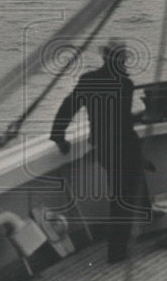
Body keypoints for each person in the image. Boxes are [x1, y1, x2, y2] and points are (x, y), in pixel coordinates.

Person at [50, 39, 152, 263]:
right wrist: (142, 117)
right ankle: (117, 252)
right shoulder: (124, 84)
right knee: (123, 200)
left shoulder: (89, 80)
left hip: (105, 148)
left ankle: (144, 221)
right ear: (121, 60)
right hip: (124, 146)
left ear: (104, 57)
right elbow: (122, 122)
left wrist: (58, 136)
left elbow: (68, 107)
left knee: (122, 196)